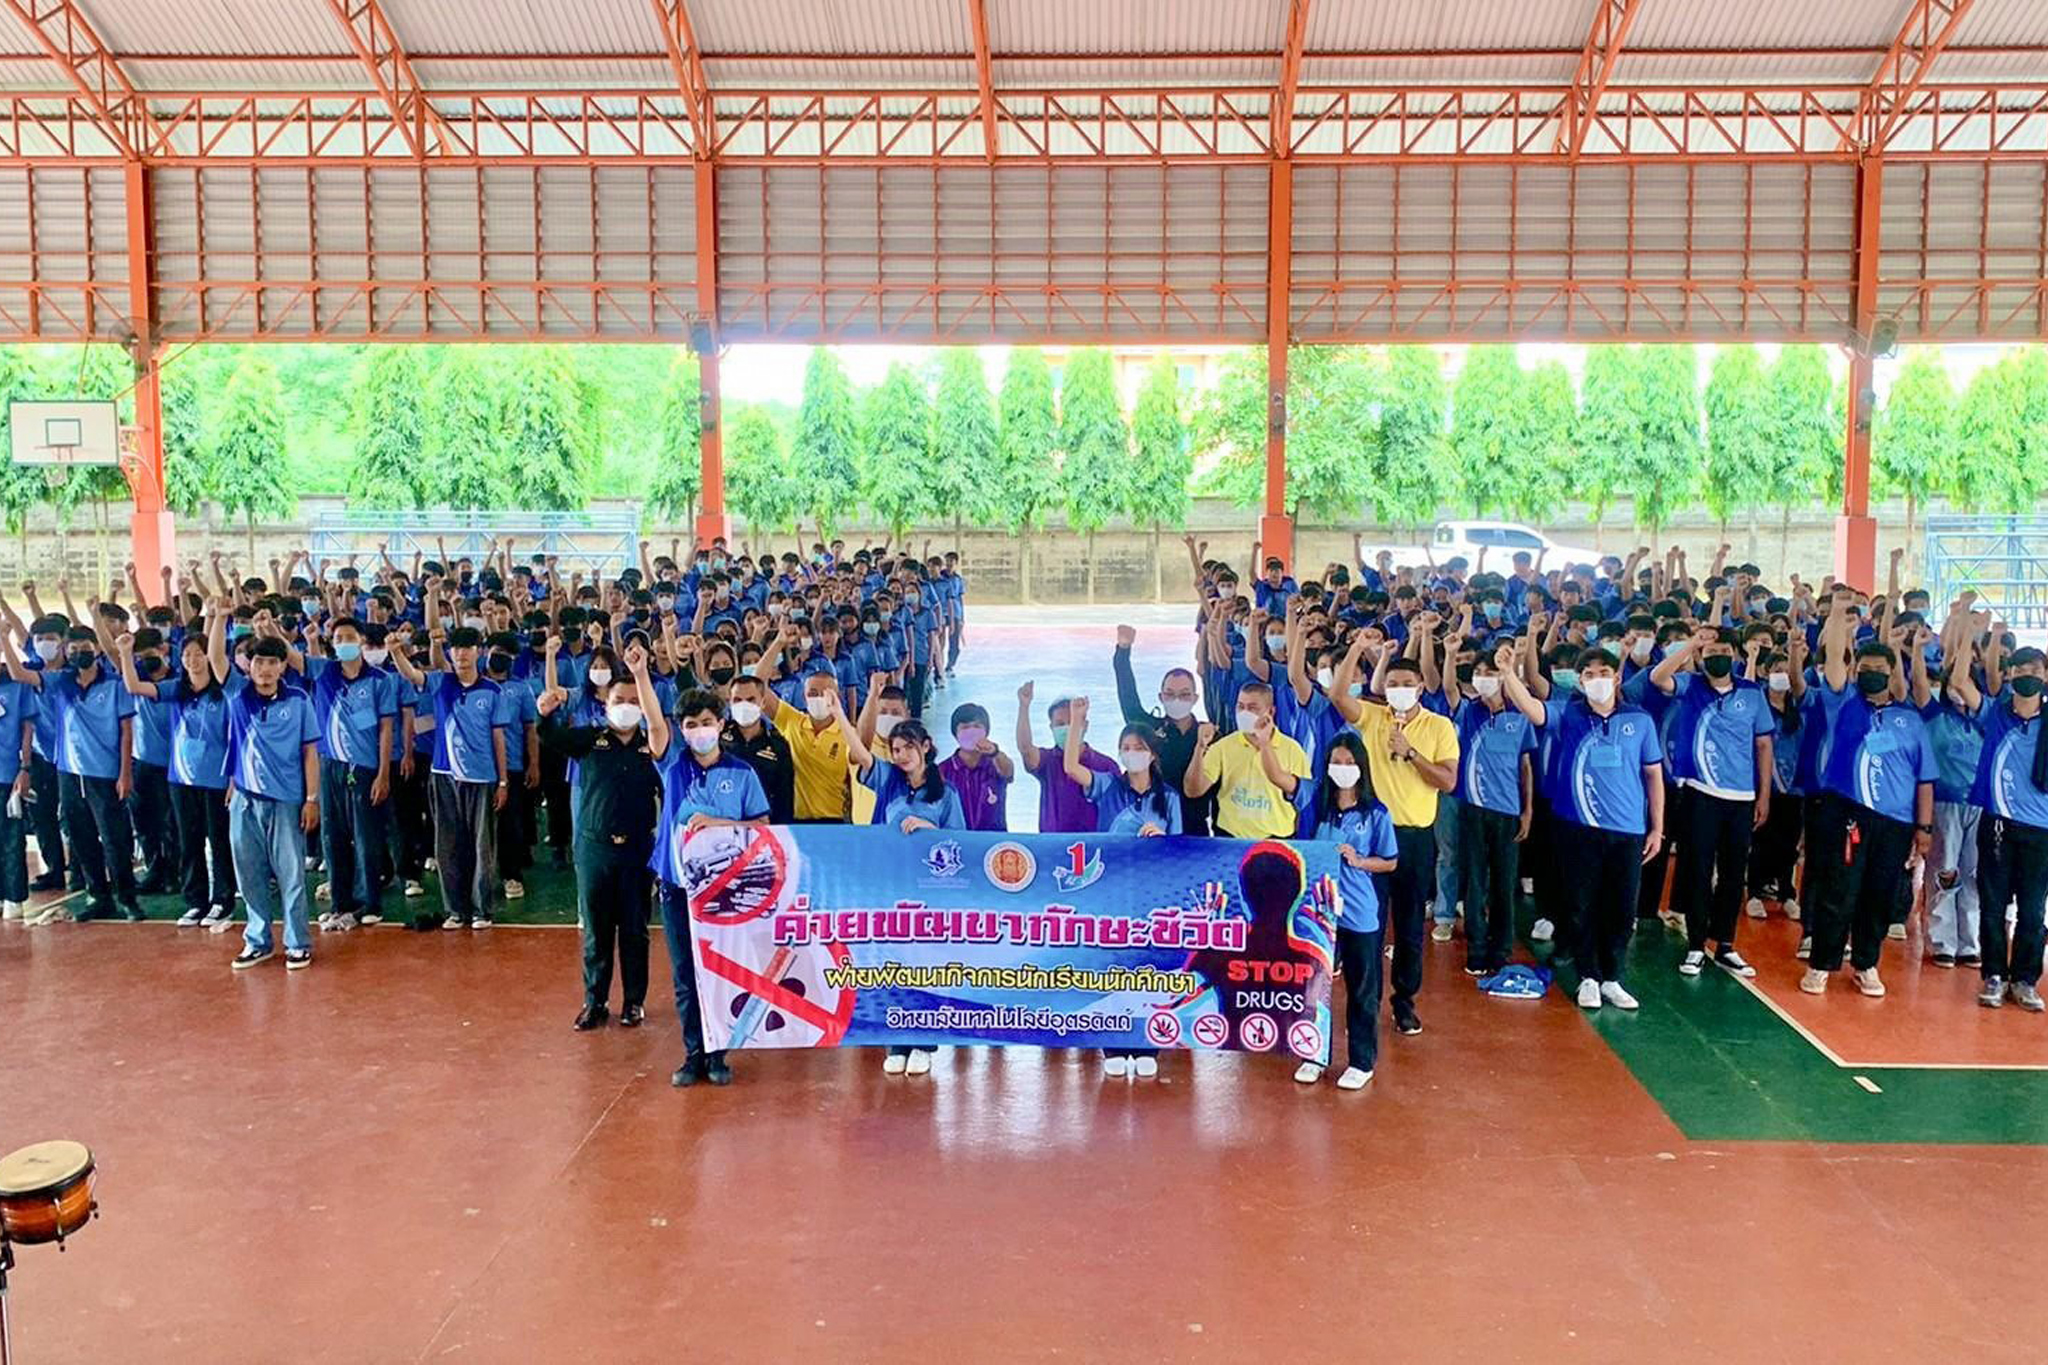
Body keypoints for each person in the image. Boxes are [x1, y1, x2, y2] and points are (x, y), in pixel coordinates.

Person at [1498, 644, 1665, 1011]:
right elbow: (1533, 710)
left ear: (1617, 677)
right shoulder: (1569, 715)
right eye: (1588, 675)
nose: (1597, 681)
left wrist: (1657, 828)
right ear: (1580, 680)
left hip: (1628, 830)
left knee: (1621, 907)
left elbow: (1653, 775)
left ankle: (1613, 977)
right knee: (1581, 904)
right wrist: (1509, 673)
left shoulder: (1640, 721)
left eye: (1604, 673)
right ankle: (1588, 976)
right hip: (1576, 828)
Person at [1330, 643, 1461, 1037]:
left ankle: (1404, 1002)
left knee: (1407, 928)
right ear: (1383, 687)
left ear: (1421, 687)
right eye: (1392, 684)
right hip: (1370, 839)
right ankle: (1364, 1002)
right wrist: (1356, 648)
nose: (1399, 689)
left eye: (1407, 683)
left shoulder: (1439, 727)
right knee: (1365, 924)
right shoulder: (1371, 717)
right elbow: (1337, 695)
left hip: (1415, 839)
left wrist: (1412, 754)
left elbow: (1448, 780)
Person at [1799, 634, 1936, 999]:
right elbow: (1833, 665)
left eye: (1879, 670)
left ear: (1893, 674)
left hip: (1895, 823)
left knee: (1879, 894)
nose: (1872, 675)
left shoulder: (1910, 721)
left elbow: (1925, 779)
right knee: (1838, 890)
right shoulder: (1842, 703)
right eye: (1865, 670)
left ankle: (1865, 963)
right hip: (1847, 813)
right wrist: (1840, 615)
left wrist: (1923, 828)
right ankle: (1821, 964)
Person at [539, 639, 663, 1031]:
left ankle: (634, 1002)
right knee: (596, 930)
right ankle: (595, 1002)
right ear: (605, 705)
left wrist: (641, 675)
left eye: (632, 699)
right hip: (593, 849)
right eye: (618, 699)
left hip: (638, 850)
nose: (625, 705)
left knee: (634, 930)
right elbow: (551, 737)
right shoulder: (590, 740)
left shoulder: (653, 746)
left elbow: (660, 734)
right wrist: (545, 714)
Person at [836, 707, 965, 1076]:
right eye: (895, 749)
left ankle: (924, 1041)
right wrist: (839, 714)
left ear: (925, 747)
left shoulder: (946, 794)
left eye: (908, 747)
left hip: (929, 894)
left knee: (924, 966)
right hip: (887, 889)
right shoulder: (888, 781)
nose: (901, 755)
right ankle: (896, 1041)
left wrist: (928, 827)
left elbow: (961, 842)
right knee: (891, 964)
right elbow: (859, 753)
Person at [654, 688, 770, 1088]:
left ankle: (718, 1052)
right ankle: (693, 1055)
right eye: (690, 725)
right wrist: (637, 673)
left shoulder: (742, 773)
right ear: (681, 730)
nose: (699, 731)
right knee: (685, 973)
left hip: (727, 890)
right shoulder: (672, 766)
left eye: (707, 723)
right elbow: (654, 725)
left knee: (718, 972)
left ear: (722, 725)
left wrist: (715, 824)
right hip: (677, 887)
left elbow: (762, 827)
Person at [1063, 697, 1180, 1081]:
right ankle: (1112, 1042)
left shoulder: (1171, 799)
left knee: (1148, 967)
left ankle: (1147, 1043)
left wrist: (1161, 838)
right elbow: (1070, 767)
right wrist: (1077, 722)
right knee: (1111, 966)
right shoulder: (1107, 786)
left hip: (1152, 896)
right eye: (1125, 748)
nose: (1131, 755)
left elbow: (1181, 849)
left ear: (1152, 754)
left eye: (1139, 748)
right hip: (1111, 891)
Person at [1648, 627, 1773, 978]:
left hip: (1742, 798)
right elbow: (1659, 676)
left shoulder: (1752, 693)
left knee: (1733, 875)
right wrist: (1691, 643)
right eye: (1711, 649)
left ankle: (1726, 945)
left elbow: (1763, 745)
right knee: (1697, 871)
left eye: (1723, 649)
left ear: (1735, 655)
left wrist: (1763, 795)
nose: (1717, 654)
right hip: (1699, 794)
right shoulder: (1690, 687)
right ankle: (1696, 946)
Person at [4, 624, 143, 921]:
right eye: (74, 649)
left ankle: (127, 898)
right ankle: (99, 896)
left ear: (96, 650)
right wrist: (4, 639)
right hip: (69, 773)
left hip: (105, 775)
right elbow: (19, 675)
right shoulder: (60, 681)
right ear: (67, 652)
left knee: (115, 839)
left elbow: (126, 730)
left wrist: (125, 773)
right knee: (82, 838)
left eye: (85, 648)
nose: (80, 653)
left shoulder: (115, 684)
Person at [390, 622, 508, 931]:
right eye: (456, 648)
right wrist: (395, 651)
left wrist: (504, 780)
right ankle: (455, 910)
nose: (461, 654)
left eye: (467, 648)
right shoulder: (441, 682)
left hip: (482, 778)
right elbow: (412, 675)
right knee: (448, 843)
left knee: (482, 845)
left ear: (478, 652)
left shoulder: (492, 690)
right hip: (443, 775)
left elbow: (498, 739)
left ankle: (483, 909)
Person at [114, 629, 236, 927]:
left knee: (218, 842)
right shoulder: (175, 689)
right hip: (181, 779)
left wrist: (233, 778)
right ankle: (195, 901)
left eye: (198, 653)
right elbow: (133, 686)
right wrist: (126, 653)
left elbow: (236, 738)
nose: (192, 660)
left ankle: (223, 901)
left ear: (210, 656)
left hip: (216, 780)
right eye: (187, 655)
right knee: (188, 840)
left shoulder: (226, 693)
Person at [1953, 644, 2047, 1010]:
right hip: (1998, 825)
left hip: (2041, 830)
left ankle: (2025, 980)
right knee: (1992, 904)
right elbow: (1960, 681)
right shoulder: (1994, 714)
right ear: (2009, 676)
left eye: (2035, 670)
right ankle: (1994, 975)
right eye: (2020, 670)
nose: (2027, 676)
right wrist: (1963, 628)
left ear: (2045, 676)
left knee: (2033, 910)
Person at [1303, 733, 1399, 1090]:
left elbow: (1389, 862)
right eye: (1336, 762)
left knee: (1361, 987)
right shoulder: (1318, 808)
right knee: (1316, 986)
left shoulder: (1376, 813)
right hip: (1320, 915)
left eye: (1349, 763)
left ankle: (1361, 1060)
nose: (1342, 769)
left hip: (1359, 912)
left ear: (1361, 767)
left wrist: (1359, 861)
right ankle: (1313, 1053)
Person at [222, 636, 321, 970]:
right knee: (249, 874)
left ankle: (297, 943)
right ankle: (258, 940)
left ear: (282, 666)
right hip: (245, 800)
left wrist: (311, 799)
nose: (264, 669)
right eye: (258, 662)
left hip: (286, 800)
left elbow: (310, 753)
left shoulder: (298, 700)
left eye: (271, 663)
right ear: (248, 666)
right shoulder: (237, 697)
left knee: (291, 874)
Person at [304, 618, 398, 933]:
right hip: (330, 766)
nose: (343, 641)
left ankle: (369, 902)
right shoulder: (324, 672)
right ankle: (340, 903)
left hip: (365, 767)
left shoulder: (379, 680)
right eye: (338, 637)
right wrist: (272, 629)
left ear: (359, 640)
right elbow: (290, 658)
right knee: (333, 837)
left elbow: (386, 729)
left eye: (349, 636)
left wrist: (383, 773)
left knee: (366, 837)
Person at [1450, 645, 1537, 976]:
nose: (1484, 679)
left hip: (1508, 812)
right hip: (1472, 810)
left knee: (1504, 883)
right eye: (1479, 673)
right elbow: (1446, 687)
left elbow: (1526, 767)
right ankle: (1477, 948)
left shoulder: (1520, 717)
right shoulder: (1468, 712)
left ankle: (1501, 950)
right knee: (1474, 882)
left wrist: (1527, 811)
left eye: (1491, 673)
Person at [1111, 623, 1211, 835]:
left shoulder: (1209, 735)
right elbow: (1128, 699)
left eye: (1184, 694)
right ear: (1161, 697)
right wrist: (1123, 651)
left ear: (1195, 698)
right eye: (1170, 693)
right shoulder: (1149, 730)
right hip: (1155, 827)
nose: (1177, 699)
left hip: (1196, 829)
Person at [1184, 681, 1309, 841]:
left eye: (1252, 708)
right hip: (1230, 838)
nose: (1244, 712)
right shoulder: (1223, 746)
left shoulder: (1293, 750)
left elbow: (1303, 803)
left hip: (1276, 840)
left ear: (1270, 712)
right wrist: (1200, 747)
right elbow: (1193, 791)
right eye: (1240, 706)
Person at [1015, 682, 1117, 834]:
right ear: (1051, 728)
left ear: (1086, 725)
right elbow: (1025, 748)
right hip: (1053, 847)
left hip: (1094, 848)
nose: (1067, 728)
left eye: (1072, 722)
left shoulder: (1105, 764)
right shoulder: (1047, 760)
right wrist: (1024, 706)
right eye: (1060, 724)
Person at [724, 672, 796, 824]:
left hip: (764, 828)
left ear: (763, 702)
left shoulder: (778, 745)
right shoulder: (719, 738)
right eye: (737, 700)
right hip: (723, 826)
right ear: (729, 702)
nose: (744, 705)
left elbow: (785, 798)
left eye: (751, 700)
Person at [936, 701, 1014, 831]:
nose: (971, 732)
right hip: (957, 840)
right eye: (965, 727)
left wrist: (994, 752)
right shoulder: (943, 770)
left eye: (977, 726)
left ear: (986, 731)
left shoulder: (996, 763)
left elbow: (1008, 771)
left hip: (993, 841)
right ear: (955, 733)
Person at [0, 663, 35, 919]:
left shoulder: (15, 683)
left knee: (11, 838)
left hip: (7, 772)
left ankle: (14, 897)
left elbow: (27, 727)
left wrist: (25, 768)